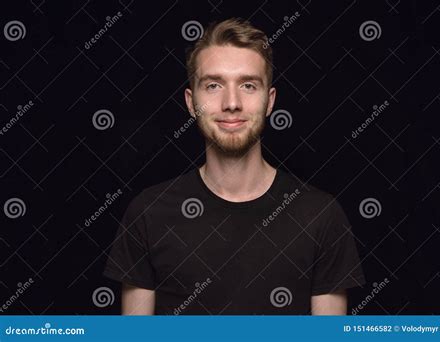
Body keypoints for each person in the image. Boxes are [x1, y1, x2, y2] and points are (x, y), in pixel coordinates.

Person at [103, 18, 365, 315]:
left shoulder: (321, 216)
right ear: (191, 102)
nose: (231, 103)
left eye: (248, 85)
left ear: (270, 101)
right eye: (213, 85)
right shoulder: (148, 214)